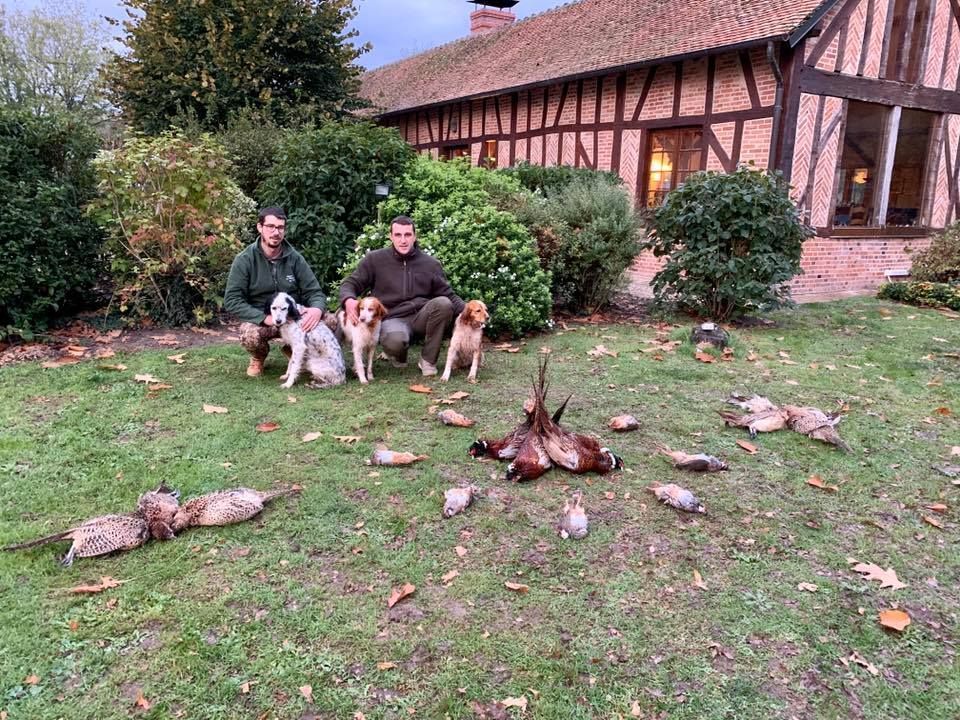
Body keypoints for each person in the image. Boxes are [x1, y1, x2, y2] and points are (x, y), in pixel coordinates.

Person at [339, 216, 465, 376]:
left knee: (444, 304)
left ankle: (428, 360)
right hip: (393, 318)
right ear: (390, 236)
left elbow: (449, 295)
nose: (403, 240)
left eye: (407, 235)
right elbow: (350, 283)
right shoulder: (375, 259)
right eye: (398, 235)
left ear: (414, 236)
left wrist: (469, 310)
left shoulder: (431, 264)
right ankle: (399, 355)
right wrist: (348, 300)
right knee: (395, 341)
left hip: (421, 316)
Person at [224, 207, 328, 377]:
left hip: (293, 316)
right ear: (260, 227)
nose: (275, 232)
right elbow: (232, 300)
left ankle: (293, 349)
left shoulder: (294, 258)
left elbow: (314, 291)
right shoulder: (245, 259)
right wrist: (264, 318)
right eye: (270, 226)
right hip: (264, 318)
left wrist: (317, 309)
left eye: (280, 227)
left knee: (329, 320)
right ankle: (258, 357)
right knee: (250, 334)